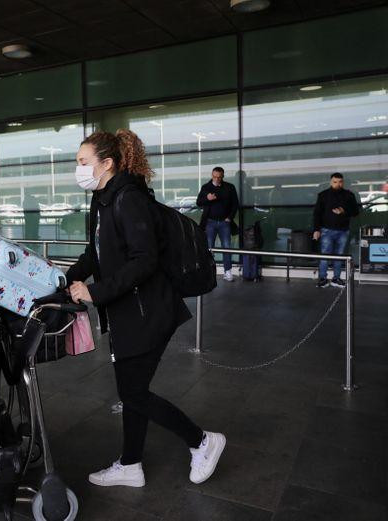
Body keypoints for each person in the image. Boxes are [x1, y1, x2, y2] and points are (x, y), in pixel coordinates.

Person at [66, 130, 225, 488]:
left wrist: (95, 292)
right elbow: (95, 253)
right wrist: (64, 279)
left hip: (148, 311)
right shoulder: (102, 199)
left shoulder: (129, 199)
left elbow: (144, 260)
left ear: (106, 163)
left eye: (82, 162)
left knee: (134, 392)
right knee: (131, 389)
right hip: (127, 312)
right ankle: (131, 464)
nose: (77, 169)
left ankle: (202, 441)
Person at [312, 172, 361, 288]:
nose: (337, 184)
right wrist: (316, 230)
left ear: (342, 182)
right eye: (335, 182)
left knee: (339, 255)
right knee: (325, 255)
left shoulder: (349, 195)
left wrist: (343, 211)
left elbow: (356, 212)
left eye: (340, 182)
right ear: (331, 182)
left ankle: (336, 278)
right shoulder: (323, 195)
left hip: (343, 231)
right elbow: (317, 214)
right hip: (326, 230)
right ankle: (323, 278)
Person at [196, 167, 239, 282]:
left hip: (224, 223)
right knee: (209, 248)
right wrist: (207, 198)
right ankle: (208, 272)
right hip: (210, 222)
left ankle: (228, 272)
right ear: (212, 175)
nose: (216, 179)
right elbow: (198, 202)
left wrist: (229, 218)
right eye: (214, 176)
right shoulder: (206, 187)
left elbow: (235, 204)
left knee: (227, 247)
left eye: (219, 177)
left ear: (223, 176)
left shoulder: (229, 187)